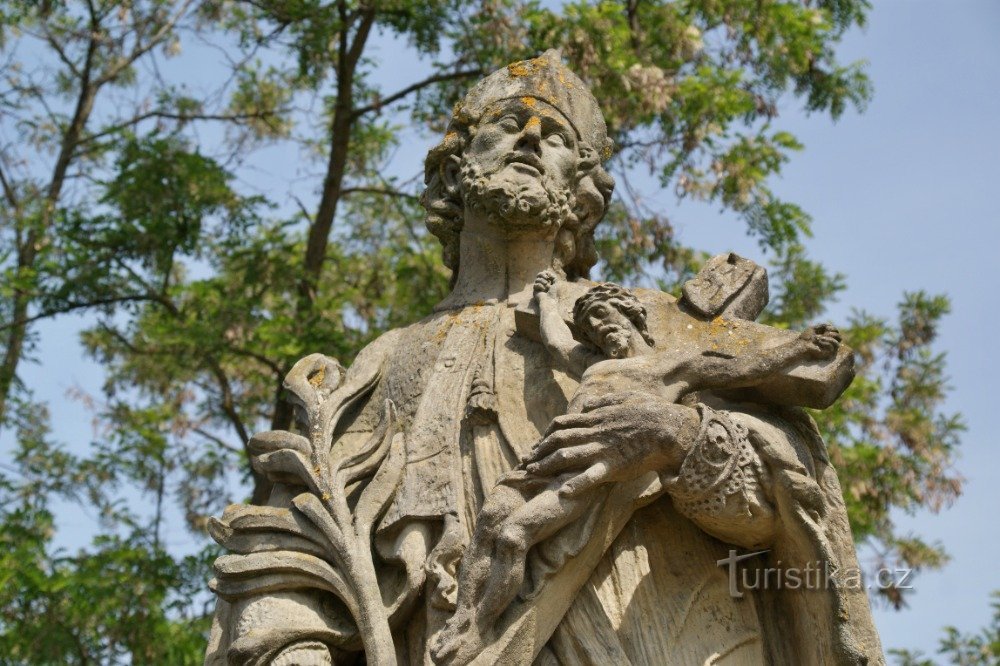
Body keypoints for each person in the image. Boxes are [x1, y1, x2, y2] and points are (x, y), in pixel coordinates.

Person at [206, 50, 885, 666]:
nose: (532, 138)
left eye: (558, 136)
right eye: (509, 122)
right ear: (452, 167)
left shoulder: (646, 328)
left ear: (581, 195)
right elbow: (288, 566)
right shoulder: (381, 367)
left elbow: (783, 513)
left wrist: (673, 437)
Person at [432, 272, 842, 663]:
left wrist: (801, 348)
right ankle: (464, 615)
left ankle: (479, 629)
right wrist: (544, 300)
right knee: (490, 518)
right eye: (590, 326)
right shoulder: (593, 367)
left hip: (593, 464)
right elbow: (556, 341)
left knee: (513, 534)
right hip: (552, 452)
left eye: (604, 317)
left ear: (632, 314)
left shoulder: (671, 365)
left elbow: (739, 370)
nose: (599, 329)